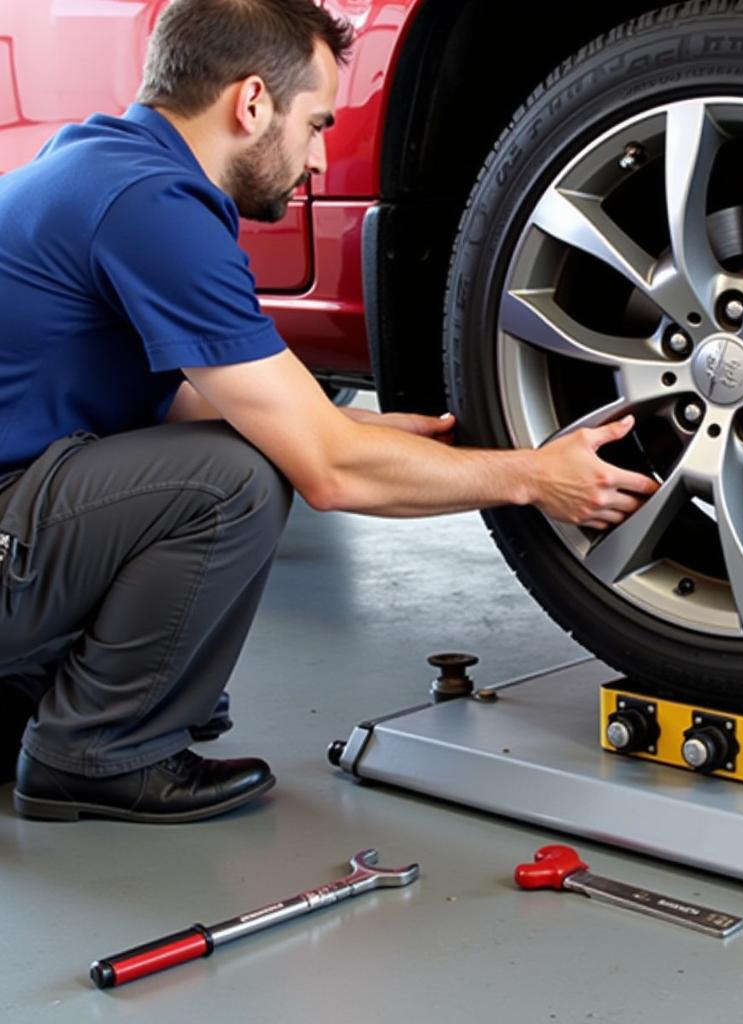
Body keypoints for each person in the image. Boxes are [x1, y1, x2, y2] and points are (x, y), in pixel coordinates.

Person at [0, 0, 657, 823]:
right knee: (232, 479)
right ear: (250, 104)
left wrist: (344, 423)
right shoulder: (151, 208)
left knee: (246, 444)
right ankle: (95, 754)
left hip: (17, 505)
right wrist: (533, 479)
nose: (318, 158)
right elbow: (331, 476)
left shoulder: (102, 165)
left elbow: (173, 399)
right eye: (315, 124)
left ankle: (36, 697)